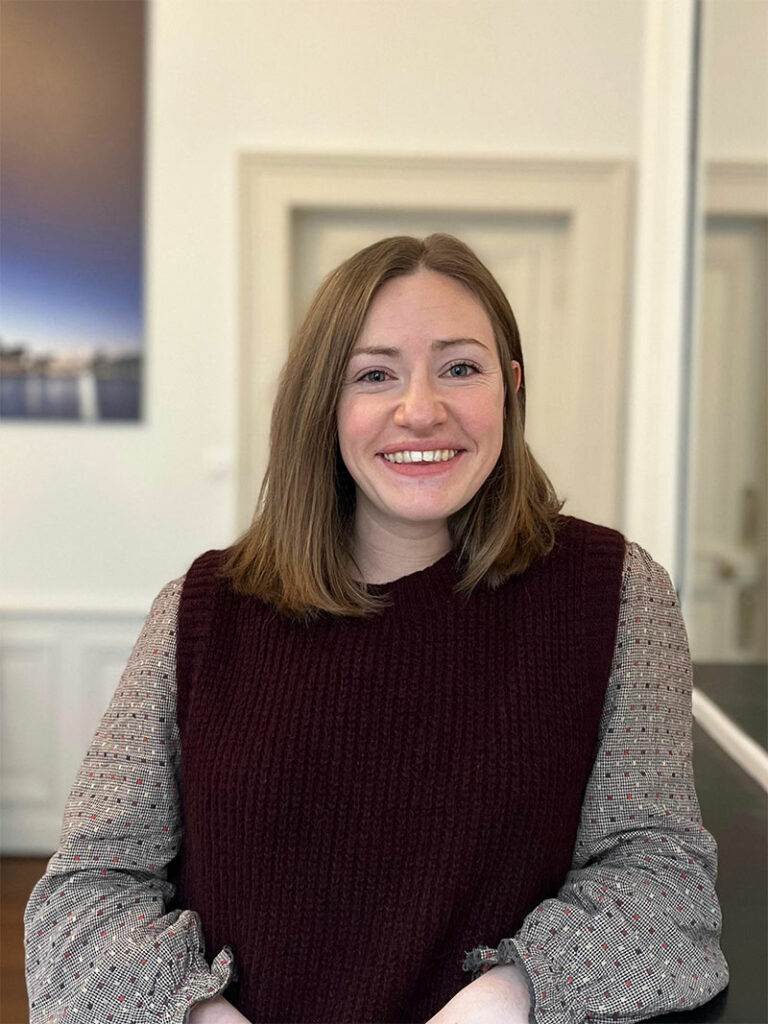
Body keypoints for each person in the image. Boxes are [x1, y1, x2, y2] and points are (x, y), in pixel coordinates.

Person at [25, 234, 729, 1024]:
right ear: (324, 403)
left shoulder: (618, 594)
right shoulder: (200, 609)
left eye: (460, 368)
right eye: (374, 375)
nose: (420, 409)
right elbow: (83, 899)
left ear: (511, 388)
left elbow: (663, 882)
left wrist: (505, 998)